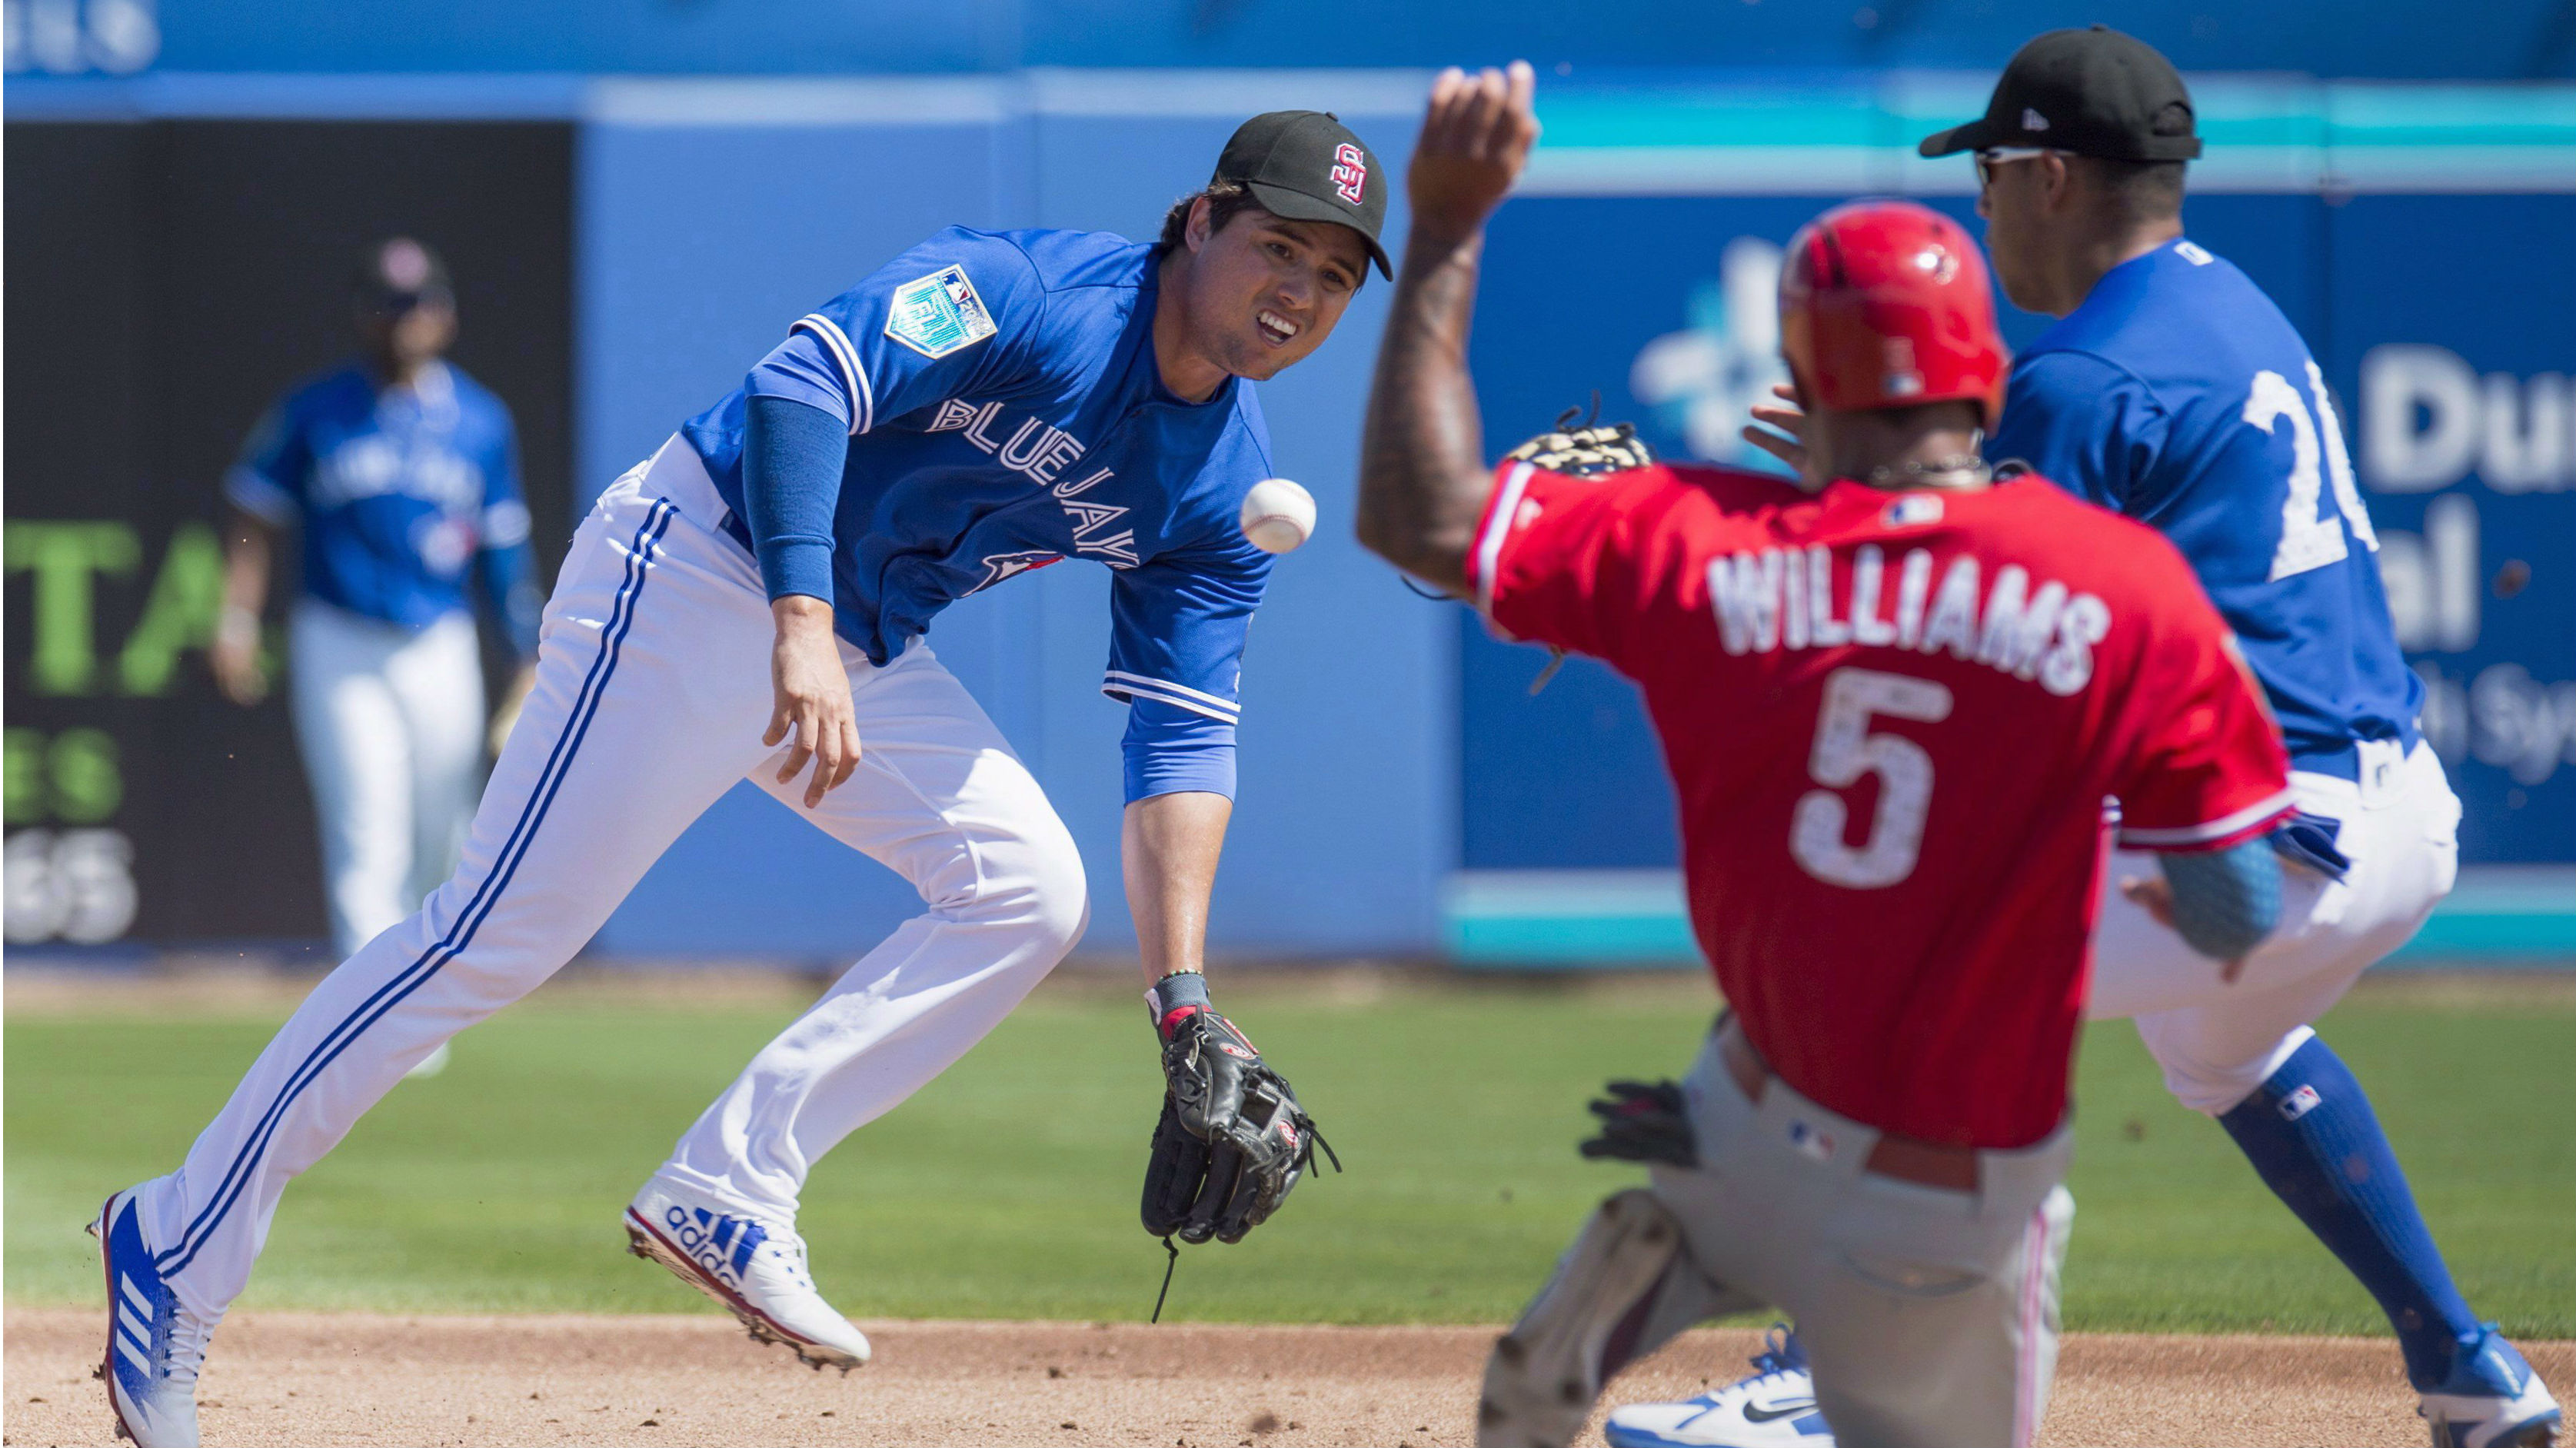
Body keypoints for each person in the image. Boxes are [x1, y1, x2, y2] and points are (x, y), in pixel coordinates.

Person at [93, 110, 1387, 1448]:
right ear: (1197, 219)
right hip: (696, 569)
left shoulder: (1223, 489)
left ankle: (732, 1181)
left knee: (1026, 887)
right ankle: (176, 1240)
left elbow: (1179, 739)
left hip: (854, 647)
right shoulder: (1031, 289)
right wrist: (801, 620)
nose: (1298, 289)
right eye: (1277, 245)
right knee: (491, 940)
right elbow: (801, 383)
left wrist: (1184, 1000)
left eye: (1335, 275)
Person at [1607, 28, 2561, 1448]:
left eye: (1989, 176)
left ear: (2048, 176)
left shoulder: (2087, 381)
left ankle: (1829, 1367)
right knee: (2221, 1048)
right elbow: (2013, 539)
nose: (1980, 211)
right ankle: (2470, 1368)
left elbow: (1967, 638)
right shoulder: (2226, 309)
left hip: (2276, 826)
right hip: (2394, 813)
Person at [1357, 65, 2295, 1448]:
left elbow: (1420, 515)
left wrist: (1443, 227)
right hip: (1947, 1198)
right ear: (1982, 371)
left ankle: (1676, 1245)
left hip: (1738, 1118)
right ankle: (1693, 1247)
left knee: (1726, 1136)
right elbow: (2237, 907)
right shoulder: (2123, 587)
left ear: (1804, 376)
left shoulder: (1699, 538)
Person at [215, 238, 542, 1080]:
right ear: (364, 313)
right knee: (366, 825)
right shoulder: (313, 410)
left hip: (439, 637)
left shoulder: (479, 419)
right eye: (391, 304)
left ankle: (418, 998)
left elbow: (504, 550)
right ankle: (377, 1025)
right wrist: (236, 615)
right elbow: (255, 510)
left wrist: (528, 650)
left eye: (420, 303)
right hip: (340, 636)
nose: (406, 319)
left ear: (447, 313)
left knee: (444, 829)